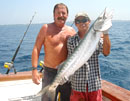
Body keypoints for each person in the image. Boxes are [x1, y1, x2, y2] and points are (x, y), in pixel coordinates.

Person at [31, 3, 75, 101]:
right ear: (53, 15)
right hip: (49, 72)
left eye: (64, 13)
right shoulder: (45, 28)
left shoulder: (72, 31)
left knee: (66, 99)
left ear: (67, 15)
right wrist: (34, 70)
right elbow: (36, 48)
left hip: (66, 72)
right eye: (58, 13)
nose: (61, 15)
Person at [67, 12, 111, 101]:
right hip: (77, 86)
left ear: (89, 22)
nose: (81, 22)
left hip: (94, 85)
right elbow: (72, 63)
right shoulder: (71, 41)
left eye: (84, 20)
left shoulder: (97, 38)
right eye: (78, 21)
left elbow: (106, 52)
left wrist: (105, 33)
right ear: (75, 24)